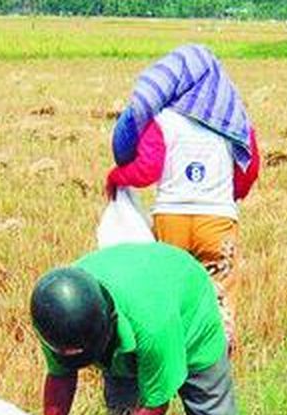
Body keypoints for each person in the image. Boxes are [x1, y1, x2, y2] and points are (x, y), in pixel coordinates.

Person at [31, 242, 242, 415]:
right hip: (134, 298)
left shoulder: (151, 326)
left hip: (187, 304)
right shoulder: (57, 316)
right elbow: (60, 377)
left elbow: (155, 404)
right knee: (122, 414)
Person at [105, 43, 261, 351]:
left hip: (171, 220)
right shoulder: (234, 121)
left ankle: (172, 352)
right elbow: (249, 170)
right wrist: (230, 195)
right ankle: (216, 358)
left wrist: (117, 176)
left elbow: (148, 169)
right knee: (219, 295)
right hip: (216, 220)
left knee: (171, 291)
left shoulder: (163, 121)